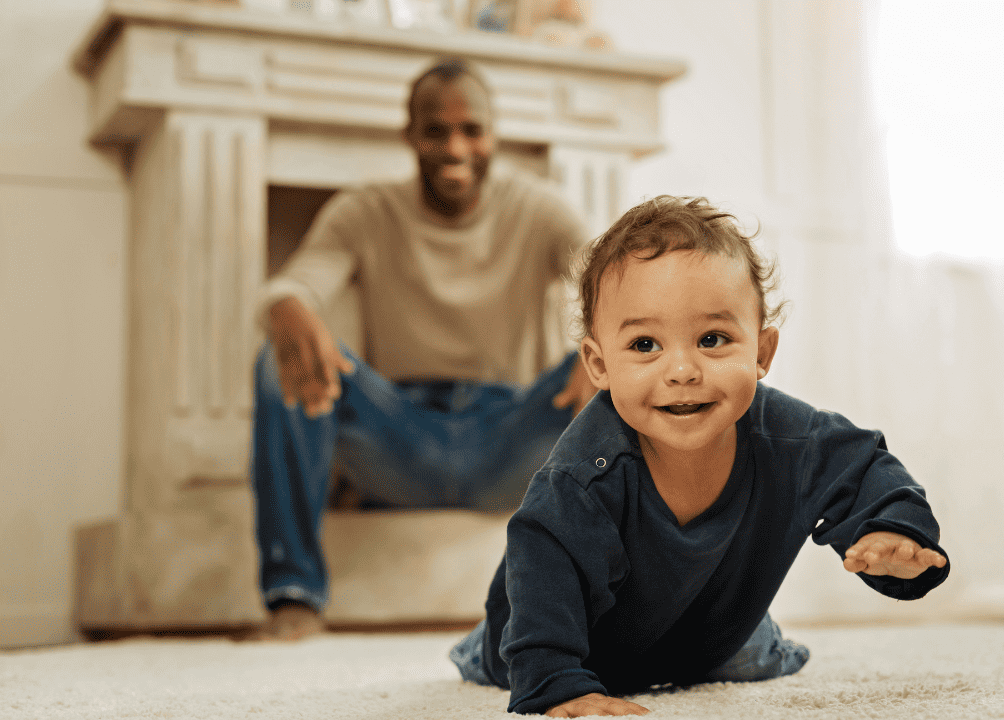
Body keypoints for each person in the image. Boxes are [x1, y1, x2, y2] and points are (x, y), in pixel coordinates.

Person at [448, 196, 951, 716]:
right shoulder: (582, 476)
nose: (683, 370)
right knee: (511, 646)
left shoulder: (793, 441)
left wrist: (893, 529)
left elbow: (864, 468)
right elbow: (543, 561)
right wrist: (557, 682)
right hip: (576, 634)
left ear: (761, 353)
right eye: (645, 345)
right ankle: (482, 645)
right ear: (599, 365)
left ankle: (749, 639)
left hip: (709, 632)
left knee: (746, 654)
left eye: (712, 339)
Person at [248, 57, 597, 641]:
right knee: (280, 357)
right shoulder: (364, 209)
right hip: (399, 437)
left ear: (494, 135)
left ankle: (630, 595)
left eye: (472, 130)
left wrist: (602, 342)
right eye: (435, 130)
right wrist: (286, 308)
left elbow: (606, 277)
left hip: (510, 439)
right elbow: (298, 283)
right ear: (409, 135)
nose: (455, 146)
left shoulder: (538, 207)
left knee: (627, 361)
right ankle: (294, 596)